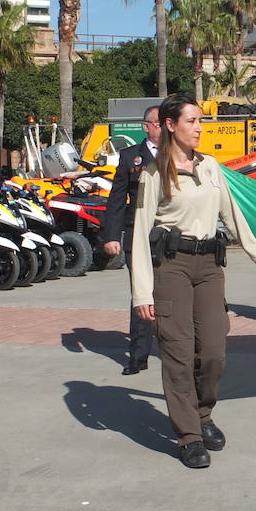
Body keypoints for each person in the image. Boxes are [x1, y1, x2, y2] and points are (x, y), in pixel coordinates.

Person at [131, 94, 256, 469]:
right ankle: (189, 435)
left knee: (213, 352)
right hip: (172, 267)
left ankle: (203, 413)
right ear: (170, 125)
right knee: (178, 353)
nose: (199, 128)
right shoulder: (152, 174)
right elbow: (139, 232)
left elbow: (233, 215)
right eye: (192, 121)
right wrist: (141, 292)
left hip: (210, 267)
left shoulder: (212, 167)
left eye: (200, 121)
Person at [102, 104, 160, 375]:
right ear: (146, 126)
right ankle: (138, 356)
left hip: (169, 236)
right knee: (141, 293)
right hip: (138, 234)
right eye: (158, 123)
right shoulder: (130, 157)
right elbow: (116, 200)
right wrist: (111, 236)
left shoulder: (179, 154)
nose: (163, 127)